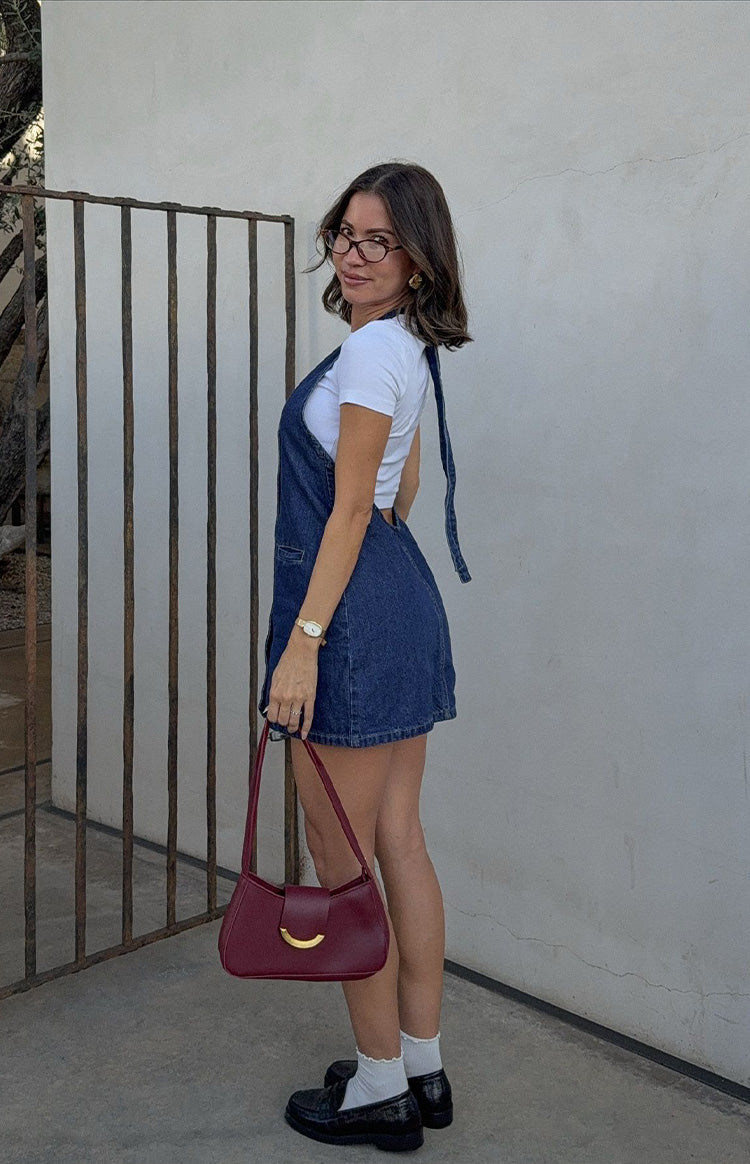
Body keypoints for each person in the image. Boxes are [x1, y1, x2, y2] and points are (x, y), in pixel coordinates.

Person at [258, 161, 472, 1152]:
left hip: (345, 627)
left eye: (378, 240)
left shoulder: (367, 355)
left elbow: (351, 510)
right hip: (400, 606)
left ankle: (379, 1088)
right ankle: (421, 1066)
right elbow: (400, 491)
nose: (352, 252)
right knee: (400, 841)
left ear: (417, 259)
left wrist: (304, 646)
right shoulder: (405, 350)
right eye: (346, 232)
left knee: (341, 862)